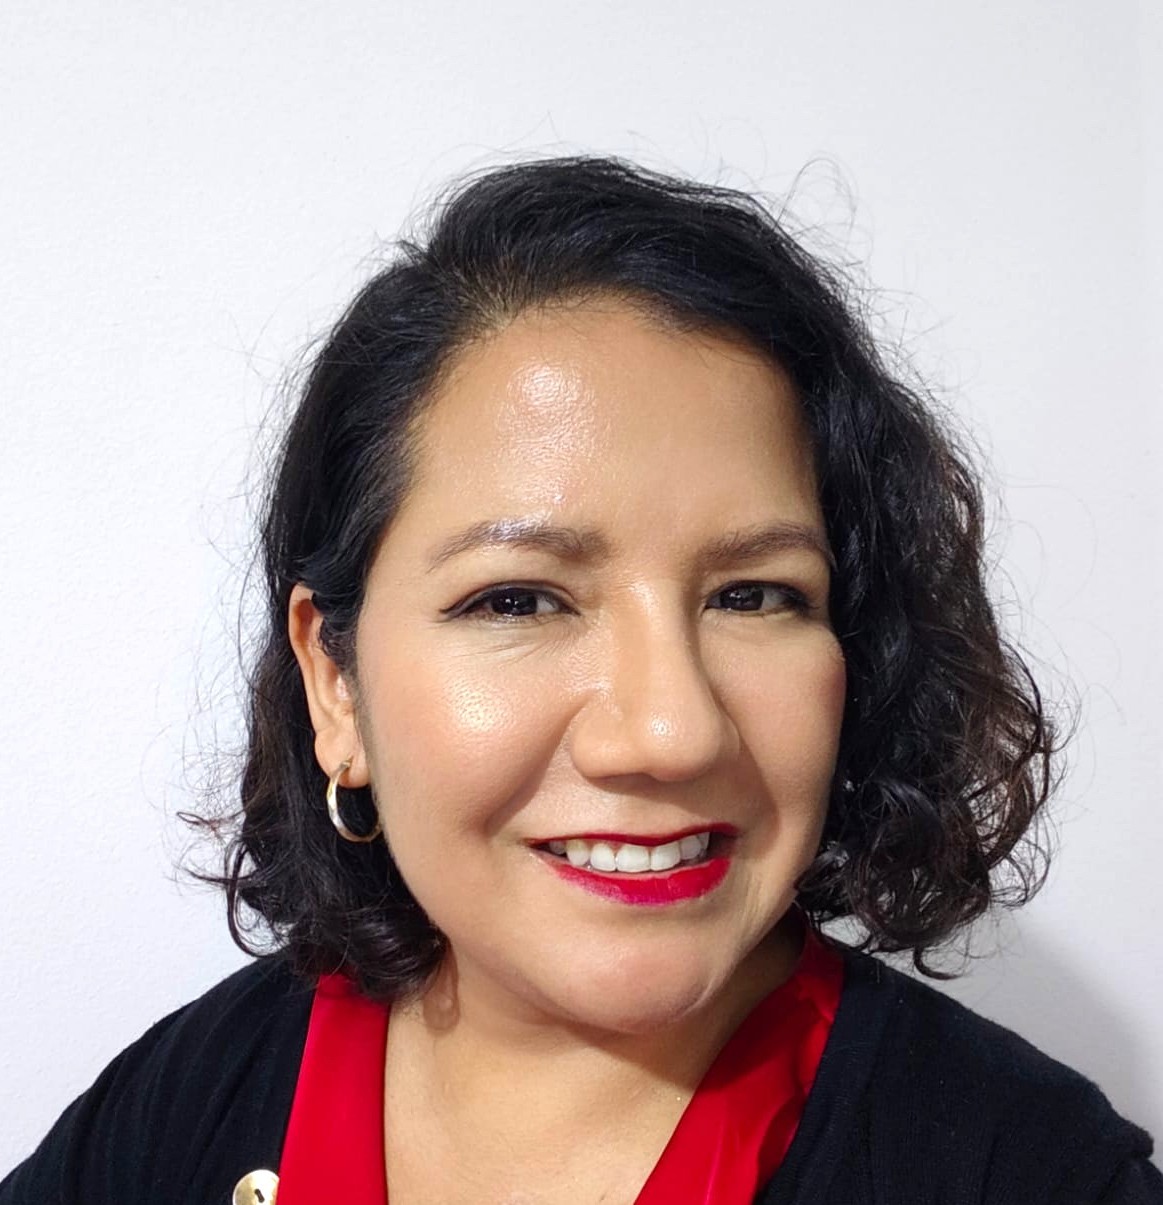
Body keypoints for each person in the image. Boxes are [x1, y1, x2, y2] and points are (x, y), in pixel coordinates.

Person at [2, 156, 1158, 1205]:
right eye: (517, 600)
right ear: (334, 683)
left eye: (753, 594)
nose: (669, 730)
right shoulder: (186, 1101)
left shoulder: (1024, 1169)